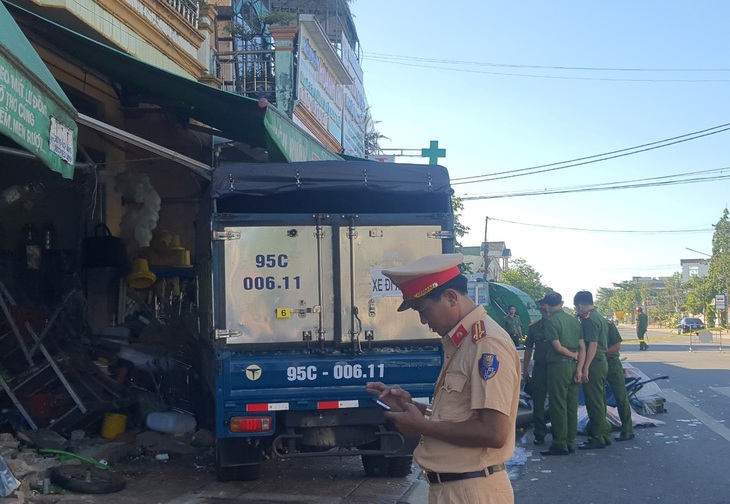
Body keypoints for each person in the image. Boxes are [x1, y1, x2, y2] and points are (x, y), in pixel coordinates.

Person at [366, 253, 520, 504]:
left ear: (451, 297)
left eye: (424, 310)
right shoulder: (464, 342)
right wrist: (410, 406)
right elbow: (461, 416)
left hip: (472, 492)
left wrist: (421, 426)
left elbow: (494, 432)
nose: (424, 321)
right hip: (455, 489)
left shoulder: (486, 343)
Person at [539, 291, 583, 456]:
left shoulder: (551, 321)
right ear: (562, 303)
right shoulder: (573, 321)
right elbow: (581, 346)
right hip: (573, 367)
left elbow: (557, 347)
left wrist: (571, 355)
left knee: (558, 405)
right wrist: (578, 364)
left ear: (547, 306)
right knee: (572, 405)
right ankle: (570, 441)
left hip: (558, 366)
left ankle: (559, 443)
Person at [573, 291, 612, 450]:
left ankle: (597, 438)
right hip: (601, 361)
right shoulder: (600, 318)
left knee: (594, 402)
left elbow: (593, 345)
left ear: (580, 305)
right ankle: (604, 434)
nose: (577, 310)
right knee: (600, 400)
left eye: (577, 307)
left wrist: (585, 368)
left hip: (594, 362)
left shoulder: (589, 320)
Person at [523, 300, 550, 446]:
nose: (544, 312)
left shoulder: (561, 325)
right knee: (538, 402)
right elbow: (528, 349)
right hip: (539, 368)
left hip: (556, 368)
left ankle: (560, 432)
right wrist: (525, 369)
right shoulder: (535, 328)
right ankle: (540, 433)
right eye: (542, 310)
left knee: (559, 402)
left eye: (546, 309)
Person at [606, 320, 635, 441]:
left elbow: (617, 345)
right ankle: (602, 430)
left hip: (611, 363)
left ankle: (627, 429)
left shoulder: (608, 324)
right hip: (595, 364)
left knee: (621, 397)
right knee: (597, 399)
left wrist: (600, 353)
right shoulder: (582, 324)